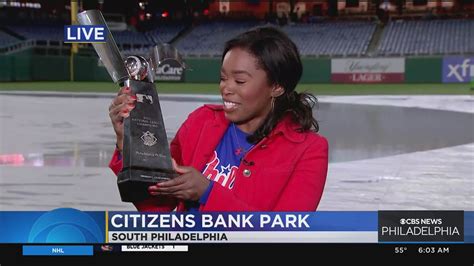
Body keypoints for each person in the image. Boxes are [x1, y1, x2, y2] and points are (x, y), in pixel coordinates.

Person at [108, 26, 328, 212]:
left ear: (277, 86)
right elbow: (156, 207)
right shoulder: (200, 121)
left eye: (239, 81)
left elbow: (287, 234)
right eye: (223, 78)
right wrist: (129, 144)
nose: (226, 88)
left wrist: (207, 193)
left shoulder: (310, 150)